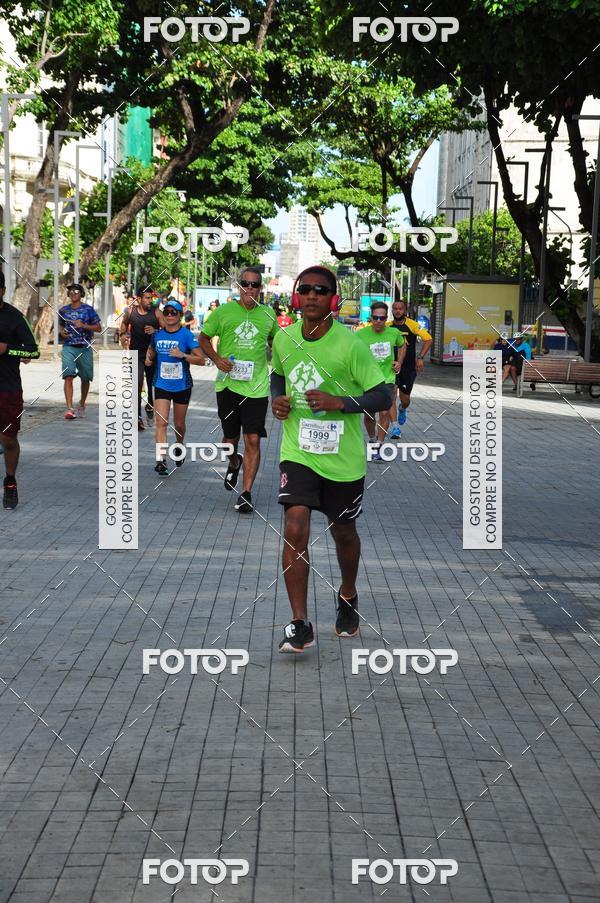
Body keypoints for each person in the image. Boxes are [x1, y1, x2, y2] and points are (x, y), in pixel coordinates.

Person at [270, 266, 392, 653]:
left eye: (320, 290)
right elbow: (277, 374)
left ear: (333, 300)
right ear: (295, 296)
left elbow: (384, 395)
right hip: (298, 451)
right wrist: (278, 400)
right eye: (304, 289)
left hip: (343, 458)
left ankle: (348, 594)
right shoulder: (284, 338)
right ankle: (299, 623)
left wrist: (341, 403)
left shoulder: (350, 345)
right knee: (294, 525)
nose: (311, 296)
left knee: (343, 533)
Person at [200, 267, 279, 514]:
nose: (250, 288)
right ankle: (235, 462)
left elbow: (278, 342)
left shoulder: (268, 315)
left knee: (253, 438)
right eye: (245, 283)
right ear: (238, 286)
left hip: (256, 388)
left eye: (255, 285)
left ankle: (246, 493)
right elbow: (203, 338)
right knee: (229, 442)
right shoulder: (223, 312)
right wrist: (216, 359)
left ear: (260, 289)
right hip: (227, 385)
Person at [145, 300, 205, 475]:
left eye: (174, 312)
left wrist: (183, 355)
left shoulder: (186, 335)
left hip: (181, 385)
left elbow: (201, 360)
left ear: (180, 315)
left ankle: (179, 445)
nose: (170, 315)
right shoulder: (157, 335)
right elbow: (151, 351)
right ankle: (161, 460)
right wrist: (149, 358)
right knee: (161, 423)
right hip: (161, 384)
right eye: (167, 312)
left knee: (179, 424)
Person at [0, 271, 40, 508]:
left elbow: (33, 351)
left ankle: (10, 481)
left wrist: (7, 349)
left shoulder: (14, 317)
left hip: (8, 388)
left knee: (8, 439)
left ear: (3, 290)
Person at [356, 301, 406, 458]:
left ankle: (379, 445)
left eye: (382, 318)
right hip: (367, 380)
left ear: (386, 318)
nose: (378, 321)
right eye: (375, 318)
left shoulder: (393, 333)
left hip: (387, 379)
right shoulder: (360, 335)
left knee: (384, 413)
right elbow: (352, 353)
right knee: (369, 415)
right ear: (371, 317)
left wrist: (399, 362)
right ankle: (372, 439)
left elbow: (403, 345)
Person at [120, 287, 164, 430]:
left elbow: (168, 329)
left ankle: (150, 404)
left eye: (151, 298)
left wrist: (156, 331)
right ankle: (137, 417)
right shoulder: (130, 312)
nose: (150, 300)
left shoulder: (156, 312)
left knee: (152, 383)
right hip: (136, 353)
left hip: (152, 354)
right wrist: (123, 335)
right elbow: (124, 323)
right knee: (137, 385)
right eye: (147, 298)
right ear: (138, 299)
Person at [388, 299, 432, 434]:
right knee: (391, 396)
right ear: (392, 311)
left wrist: (420, 357)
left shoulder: (412, 325)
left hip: (408, 368)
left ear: (405, 311)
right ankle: (395, 427)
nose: (397, 311)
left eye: (400, 308)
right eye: (395, 308)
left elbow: (428, 339)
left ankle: (402, 408)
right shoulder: (387, 326)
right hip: (391, 367)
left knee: (405, 399)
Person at [58, 283, 102, 420]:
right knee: (68, 375)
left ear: (81, 294)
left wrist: (84, 325)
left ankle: (82, 403)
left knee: (85, 378)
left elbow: (99, 328)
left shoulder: (88, 310)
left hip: (85, 347)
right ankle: (70, 409)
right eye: (70, 291)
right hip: (68, 346)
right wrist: (62, 332)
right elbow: (60, 325)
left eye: (76, 291)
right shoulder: (64, 310)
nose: (73, 293)